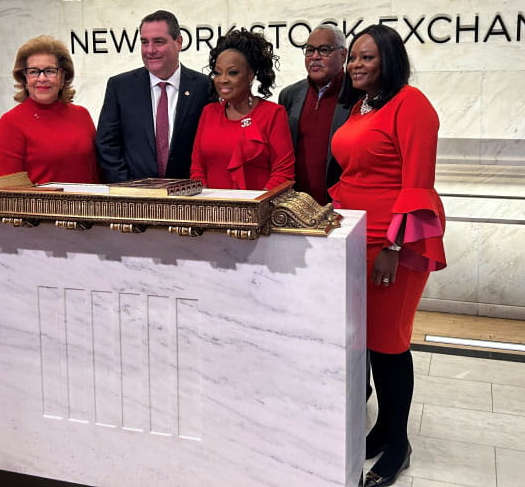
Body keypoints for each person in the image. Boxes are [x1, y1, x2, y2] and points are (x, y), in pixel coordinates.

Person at [329, 24, 447, 487]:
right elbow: (355, 172)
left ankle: (398, 446)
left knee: (391, 344)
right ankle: (383, 429)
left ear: (389, 61)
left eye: (367, 58)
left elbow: (417, 181)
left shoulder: (410, 104)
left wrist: (393, 248)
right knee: (369, 343)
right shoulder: (362, 105)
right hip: (354, 238)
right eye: (354, 57)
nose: (356, 65)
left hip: (392, 245)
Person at [96, 10, 211, 182]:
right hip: (134, 197)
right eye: (144, 42)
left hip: (190, 197)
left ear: (178, 42)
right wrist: (127, 186)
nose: (150, 50)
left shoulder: (204, 87)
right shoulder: (120, 86)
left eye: (159, 42)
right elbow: (107, 144)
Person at [190, 29, 294, 190]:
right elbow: (197, 168)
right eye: (218, 73)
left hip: (258, 211)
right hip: (211, 211)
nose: (223, 80)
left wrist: (255, 208)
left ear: (250, 75)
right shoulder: (209, 112)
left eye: (232, 73)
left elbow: (282, 173)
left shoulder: (273, 114)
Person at [0, 35, 100, 184]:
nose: (41, 78)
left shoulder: (82, 115)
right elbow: (8, 190)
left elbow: (97, 172)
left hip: (88, 205)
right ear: (25, 78)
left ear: (63, 76)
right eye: (34, 71)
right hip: (38, 207)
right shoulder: (11, 123)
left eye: (50, 71)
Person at [278, 24, 352, 204]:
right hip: (297, 206)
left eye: (324, 50)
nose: (315, 57)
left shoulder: (357, 94)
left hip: (343, 204)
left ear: (343, 54)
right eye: (309, 50)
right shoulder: (289, 95)